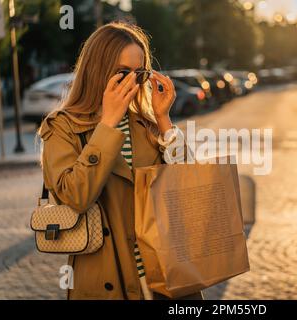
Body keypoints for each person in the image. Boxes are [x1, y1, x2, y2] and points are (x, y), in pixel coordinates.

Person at [37, 22, 203, 300]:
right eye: (122, 73)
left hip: (165, 278)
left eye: (139, 74)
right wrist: (108, 124)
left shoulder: (146, 125)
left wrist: (164, 121)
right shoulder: (62, 127)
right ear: (97, 72)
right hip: (107, 280)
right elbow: (75, 197)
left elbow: (188, 188)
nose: (132, 83)